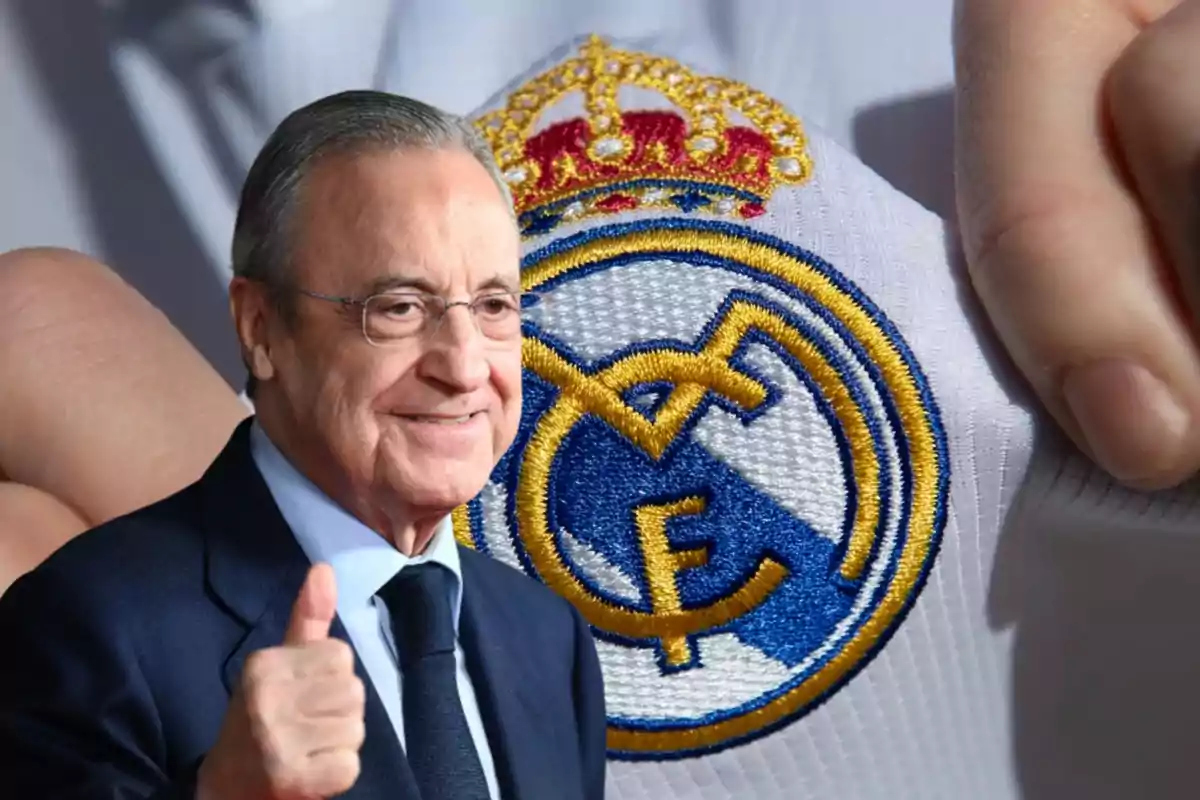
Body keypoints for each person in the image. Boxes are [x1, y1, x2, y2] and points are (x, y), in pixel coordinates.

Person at [0, 91, 606, 800]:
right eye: (400, 307)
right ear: (261, 328)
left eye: (494, 307)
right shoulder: (85, 624)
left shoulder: (548, 639)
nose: (467, 366)